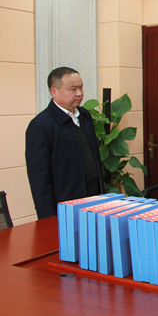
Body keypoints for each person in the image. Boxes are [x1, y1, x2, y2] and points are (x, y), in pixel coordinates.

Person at [26, 67, 105, 219]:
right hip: (66, 207)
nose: (79, 93)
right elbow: (39, 179)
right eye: (73, 89)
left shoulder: (84, 116)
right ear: (54, 92)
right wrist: (48, 217)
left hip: (95, 201)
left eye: (81, 87)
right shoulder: (41, 125)